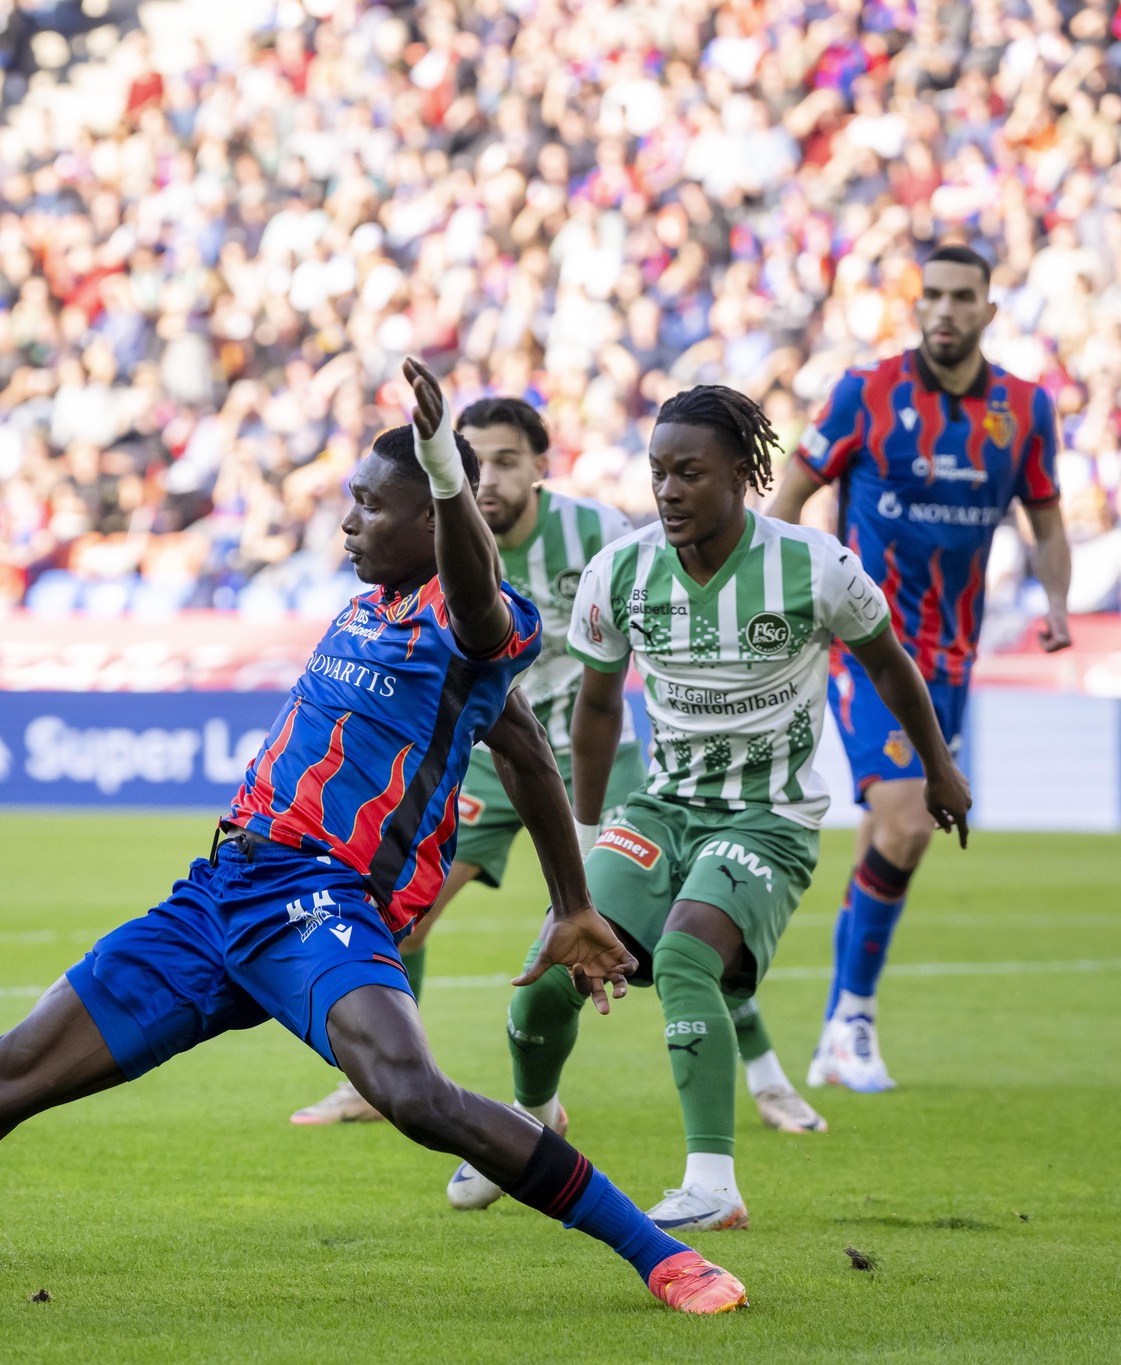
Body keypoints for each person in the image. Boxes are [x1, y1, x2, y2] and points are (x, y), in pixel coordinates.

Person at [0, 359, 748, 1314]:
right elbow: (527, 754)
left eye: (366, 505)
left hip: (320, 902)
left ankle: (660, 1256)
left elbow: (488, 623)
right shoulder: (366, 606)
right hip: (218, 894)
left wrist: (439, 470)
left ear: (420, 518)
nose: (344, 521)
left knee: (411, 1091)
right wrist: (564, 896)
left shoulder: (473, 621)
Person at [446, 386, 971, 1232]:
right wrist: (580, 857)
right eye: (658, 473)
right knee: (550, 970)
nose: (670, 490)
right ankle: (530, 1124)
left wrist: (939, 767)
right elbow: (597, 710)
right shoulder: (622, 567)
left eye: (690, 472)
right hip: (662, 806)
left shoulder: (815, 564)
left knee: (689, 955)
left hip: (769, 816)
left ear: (742, 474)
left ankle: (713, 1182)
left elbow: (890, 664)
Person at [292, 399, 824, 1140]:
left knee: (684, 924)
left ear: (541, 468)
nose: (488, 479)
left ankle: (766, 1076)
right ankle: (374, 1081)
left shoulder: (597, 532)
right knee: (400, 919)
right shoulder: (435, 544)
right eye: (473, 463)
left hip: (598, 759)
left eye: (508, 461)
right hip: (490, 755)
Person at [766, 243, 1071, 1092]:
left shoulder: (1023, 409)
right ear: (918, 304)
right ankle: (854, 1019)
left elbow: (1046, 521)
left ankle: (837, 1031)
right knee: (906, 823)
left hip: (954, 660)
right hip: (868, 649)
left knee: (883, 836)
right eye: (931, 294)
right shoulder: (867, 392)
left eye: (962, 296)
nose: (944, 309)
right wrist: (785, 598)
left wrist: (1053, 603)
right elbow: (790, 495)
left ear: (988, 309)